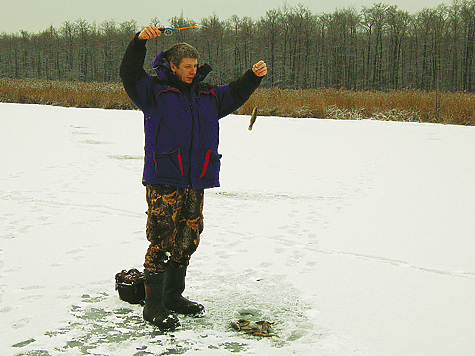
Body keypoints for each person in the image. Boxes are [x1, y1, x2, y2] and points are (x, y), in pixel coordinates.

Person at [120, 24, 267, 330]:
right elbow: (130, 73)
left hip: (196, 178)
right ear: (172, 67)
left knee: (187, 238)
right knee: (161, 237)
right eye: (186, 67)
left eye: (195, 66)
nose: (192, 71)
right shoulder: (153, 91)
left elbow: (236, 93)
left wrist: (253, 76)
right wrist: (138, 43)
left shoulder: (207, 95)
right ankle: (153, 305)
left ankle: (173, 296)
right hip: (164, 177)